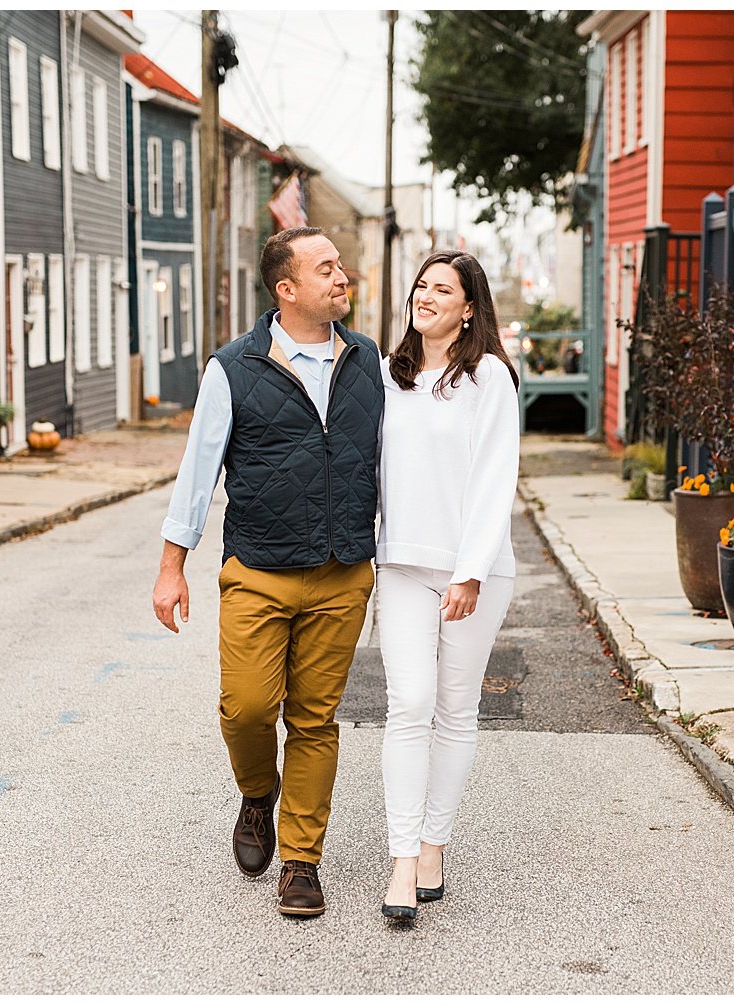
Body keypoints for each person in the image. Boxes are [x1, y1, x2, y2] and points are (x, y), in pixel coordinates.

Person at [152, 227, 383, 919]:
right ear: (287, 289)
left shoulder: (368, 361)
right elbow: (197, 474)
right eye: (326, 269)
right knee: (247, 708)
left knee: (315, 720)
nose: (342, 276)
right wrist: (173, 567)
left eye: (340, 265)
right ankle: (259, 793)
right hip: (258, 568)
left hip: (343, 570)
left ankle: (302, 862)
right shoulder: (235, 367)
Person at [374, 251, 521, 922]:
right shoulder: (387, 376)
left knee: (455, 710)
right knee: (409, 702)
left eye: (443, 289)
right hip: (401, 563)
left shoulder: (488, 377)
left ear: (469, 309)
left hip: (475, 571)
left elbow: (495, 477)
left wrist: (469, 570)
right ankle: (403, 859)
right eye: (422, 285)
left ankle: (435, 844)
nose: (426, 295)